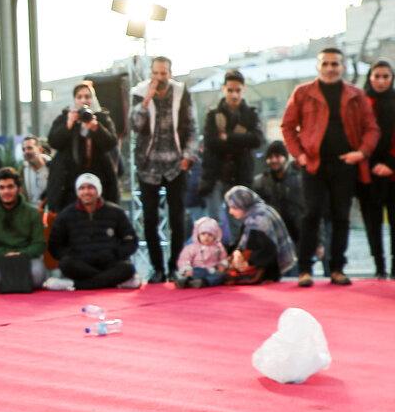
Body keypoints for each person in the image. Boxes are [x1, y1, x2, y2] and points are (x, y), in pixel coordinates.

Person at [282, 47, 379, 286]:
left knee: (341, 217)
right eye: (325, 63)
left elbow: (372, 128)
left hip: (344, 164)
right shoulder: (302, 93)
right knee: (311, 214)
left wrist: (361, 152)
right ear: (318, 66)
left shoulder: (355, 95)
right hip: (313, 164)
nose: (330, 68)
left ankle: (337, 268)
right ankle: (305, 270)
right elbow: (287, 127)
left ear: (343, 67)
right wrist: (299, 155)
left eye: (335, 64)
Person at [129, 56, 199, 282]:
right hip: (148, 165)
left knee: (177, 218)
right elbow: (135, 126)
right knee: (150, 219)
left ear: (170, 73)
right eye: (156, 74)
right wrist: (146, 101)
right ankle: (157, 267)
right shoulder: (139, 92)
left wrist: (188, 155)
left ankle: (175, 266)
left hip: (175, 164)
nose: (160, 78)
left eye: (164, 73)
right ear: (150, 74)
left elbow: (191, 126)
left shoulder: (180, 92)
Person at [45, 173, 139, 291]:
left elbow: (131, 241)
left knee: (128, 268)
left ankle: (75, 285)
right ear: (77, 191)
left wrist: (115, 254)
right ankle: (113, 282)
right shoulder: (66, 215)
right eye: (82, 188)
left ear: (98, 190)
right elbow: (55, 246)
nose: (86, 192)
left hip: (109, 263)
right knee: (65, 264)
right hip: (81, 265)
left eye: (90, 187)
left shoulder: (116, 212)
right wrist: (71, 254)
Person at [46, 80, 119, 214]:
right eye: (79, 97)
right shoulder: (64, 118)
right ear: (74, 100)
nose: (83, 100)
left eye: (87, 96)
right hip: (68, 182)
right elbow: (53, 142)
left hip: (98, 177)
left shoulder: (101, 118)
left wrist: (96, 128)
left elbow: (111, 143)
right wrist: (68, 124)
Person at [199, 70, 264, 215]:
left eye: (238, 90)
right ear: (224, 90)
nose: (234, 94)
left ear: (243, 90)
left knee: (239, 220)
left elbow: (257, 140)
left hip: (241, 174)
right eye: (230, 90)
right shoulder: (213, 115)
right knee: (215, 220)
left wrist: (228, 137)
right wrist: (242, 144)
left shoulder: (251, 115)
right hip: (216, 174)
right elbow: (211, 142)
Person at [0, 167, 45, 292]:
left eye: (10, 187)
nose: (6, 191)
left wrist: (20, 254)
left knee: (37, 277)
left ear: (19, 189)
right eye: (2, 188)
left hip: (26, 257)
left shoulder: (32, 212)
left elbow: (39, 244)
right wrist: (4, 254)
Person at [359, 59, 395, 278]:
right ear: (370, 78)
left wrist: (390, 164)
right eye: (377, 76)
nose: (381, 81)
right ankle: (379, 267)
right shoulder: (361, 102)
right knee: (372, 224)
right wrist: (370, 164)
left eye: (386, 76)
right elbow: (355, 135)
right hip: (367, 172)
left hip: (393, 172)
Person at [222, 186, 295, 284]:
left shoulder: (258, 219)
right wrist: (237, 252)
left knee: (225, 277)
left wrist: (246, 260)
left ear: (242, 204)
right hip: (265, 265)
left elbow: (267, 251)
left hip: (269, 270)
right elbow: (241, 243)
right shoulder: (253, 214)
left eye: (233, 207)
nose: (230, 212)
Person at [252, 141, 305, 244]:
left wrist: (319, 242)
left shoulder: (299, 181)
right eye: (270, 157)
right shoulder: (260, 182)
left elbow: (309, 211)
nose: (274, 160)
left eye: (277, 156)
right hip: (271, 238)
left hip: (298, 237)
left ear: (285, 157)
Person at [174, 216, 228, 288]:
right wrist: (186, 269)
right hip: (195, 270)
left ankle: (203, 282)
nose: (206, 237)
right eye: (203, 234)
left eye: (210, 235)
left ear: (215, 236)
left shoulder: (218, 247)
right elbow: (184, 259)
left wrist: (222, 265)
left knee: (218, 277)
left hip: (211, 271)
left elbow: (223, 258)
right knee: (197, 272)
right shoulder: (191, 247)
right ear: (198, 235)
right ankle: (185, 280)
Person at [19, 135, 49, 210]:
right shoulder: (23, 170)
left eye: (29, 148)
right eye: (24, 149)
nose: (26, 152)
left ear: (40, 149)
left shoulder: (52, 167)